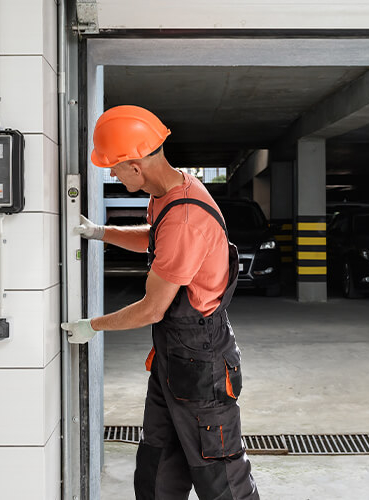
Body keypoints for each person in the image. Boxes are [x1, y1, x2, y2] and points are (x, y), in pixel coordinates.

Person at [60, 105, 260, 500]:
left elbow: (153, 308)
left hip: (201, 360)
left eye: (113, 169)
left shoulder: (186, 216)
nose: (112, 176)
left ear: (136, 166)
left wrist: (92, 326)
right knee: (158, 463)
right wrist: (100, 232)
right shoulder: (170, 191)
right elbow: (156, 238)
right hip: (175, 356)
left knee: (219, 472)